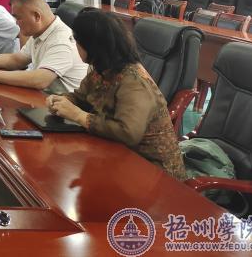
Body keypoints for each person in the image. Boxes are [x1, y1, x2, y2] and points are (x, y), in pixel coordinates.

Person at [46, 9, 187, 180]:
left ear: (91, 45)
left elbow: (128, 133)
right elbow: (81, 98)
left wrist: (79, 116)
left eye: (76, 40)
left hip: (154, 174)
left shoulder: (133, 81)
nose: (75, 45)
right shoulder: (102, 69)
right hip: (118, 157)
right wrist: (62, 101)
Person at [0, 0, 87, 91]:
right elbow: (16, 59)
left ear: (36, 16)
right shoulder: (40, 32)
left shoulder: (61, 40)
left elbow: (40, 80)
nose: (16, 23)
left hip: (62, 104)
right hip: (43, 98)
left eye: (19, 18)